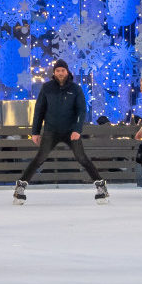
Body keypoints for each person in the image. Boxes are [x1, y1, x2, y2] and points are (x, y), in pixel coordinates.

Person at [15, 59, 106, 205]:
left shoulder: (76, 89)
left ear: (67, 71)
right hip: (51, 130)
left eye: (63, 70)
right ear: (54, 72)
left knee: (82, 158)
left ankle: (101, 187)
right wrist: (35, 132)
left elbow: (82, 110)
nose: (60, 73)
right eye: (57, 70)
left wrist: (77, 129)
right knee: (39, 158)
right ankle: (20, 188)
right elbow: (39, 111)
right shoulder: (47, 88)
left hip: (71, 132)